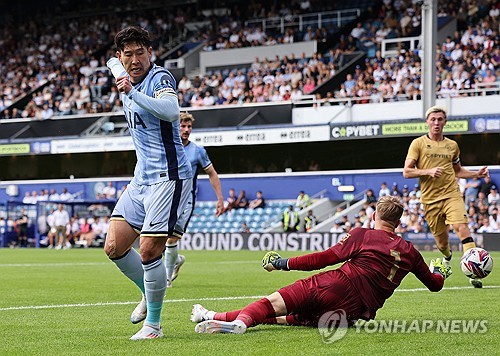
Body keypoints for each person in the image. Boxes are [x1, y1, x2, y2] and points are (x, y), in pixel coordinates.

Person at [191, 196, 450, 334]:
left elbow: (324, 258)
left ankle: (241, 324)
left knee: (271, 304)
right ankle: (211, 316)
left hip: (336, 286)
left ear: (374, 215)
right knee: (281, 319)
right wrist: (440, 272)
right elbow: (435, 285)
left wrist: (284, 262)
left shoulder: (363, 234)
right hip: (350, 314)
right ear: (398, 221)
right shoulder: (410, 251)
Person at [104, 26, 192, 340]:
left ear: (150, 53)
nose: (135, 59)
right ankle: (148, 289)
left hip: (169, 176)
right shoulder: (120, 68)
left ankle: (153, 326)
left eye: (141, 52)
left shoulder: (161, 78)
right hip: (141, 178)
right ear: (120, 56)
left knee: (148, 250)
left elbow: (170, 111)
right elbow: (112, 66)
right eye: (128, 54)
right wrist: (116, 69)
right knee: (114, 246)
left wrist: (131, 92)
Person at [403, 105, 489, 288]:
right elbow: (407, 172)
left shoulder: (452, 145)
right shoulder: (418, 144)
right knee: (442, 242)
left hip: (451, 194)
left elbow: (458, 171)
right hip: (430, 200)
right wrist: (428, 171)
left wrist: (476, 174)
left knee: (462, 228)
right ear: (427, 122)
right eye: (433, 119)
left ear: (445, 122)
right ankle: (447, 256)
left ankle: (474, 273)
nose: (436, 123)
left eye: (440, 119)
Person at [165, 111, 224, 287]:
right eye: (183, 126)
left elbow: (212, 173)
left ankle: (166, 280)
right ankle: (177, 260)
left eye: (189, 126)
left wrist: (220, 199)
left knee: (171, 239)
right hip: (167, 198)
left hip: (186, 200)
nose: (186, 129)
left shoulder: (198, 151)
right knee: (163, 239)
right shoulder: (168, 148)